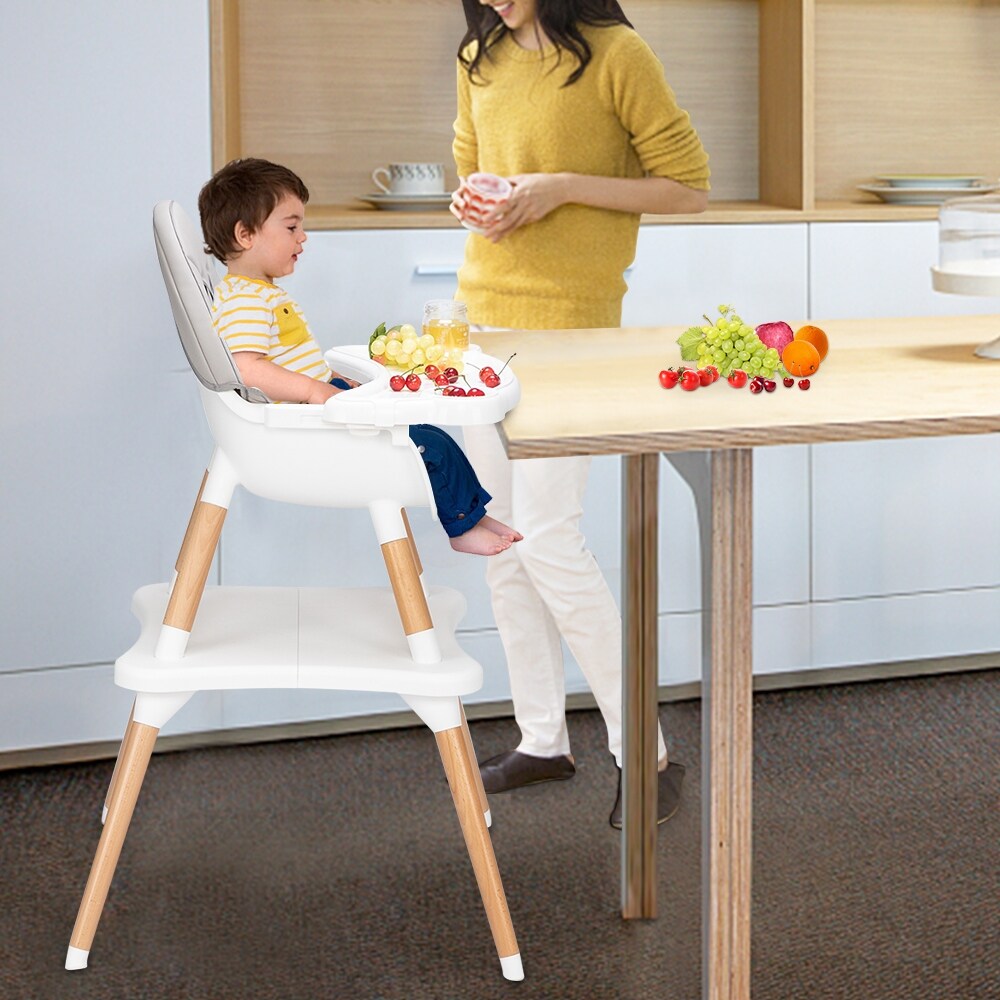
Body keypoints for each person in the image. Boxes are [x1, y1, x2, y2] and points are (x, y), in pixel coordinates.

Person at [450, 0, 711, 827]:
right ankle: (542, 740)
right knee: (501, 539)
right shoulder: (477, 56)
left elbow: (688, 188)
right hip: (483, 319)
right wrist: (476, 200)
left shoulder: (616, 54)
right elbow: (469, 167)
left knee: (551, 537)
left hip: (571, 329)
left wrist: (560, 189)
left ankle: (652, 756)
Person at [198, 157, 522, 558]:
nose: (303, 237)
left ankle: (471, 513)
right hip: (301, 424)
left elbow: (288, 360)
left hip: (316, 405)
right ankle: (460, 527)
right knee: (427, 445)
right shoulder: (244, 300)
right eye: (292, 226)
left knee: (427, 431)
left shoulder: (259, 292)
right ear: (245, 234)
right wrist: (318, 390)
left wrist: (332, 380)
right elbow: (247, 368)